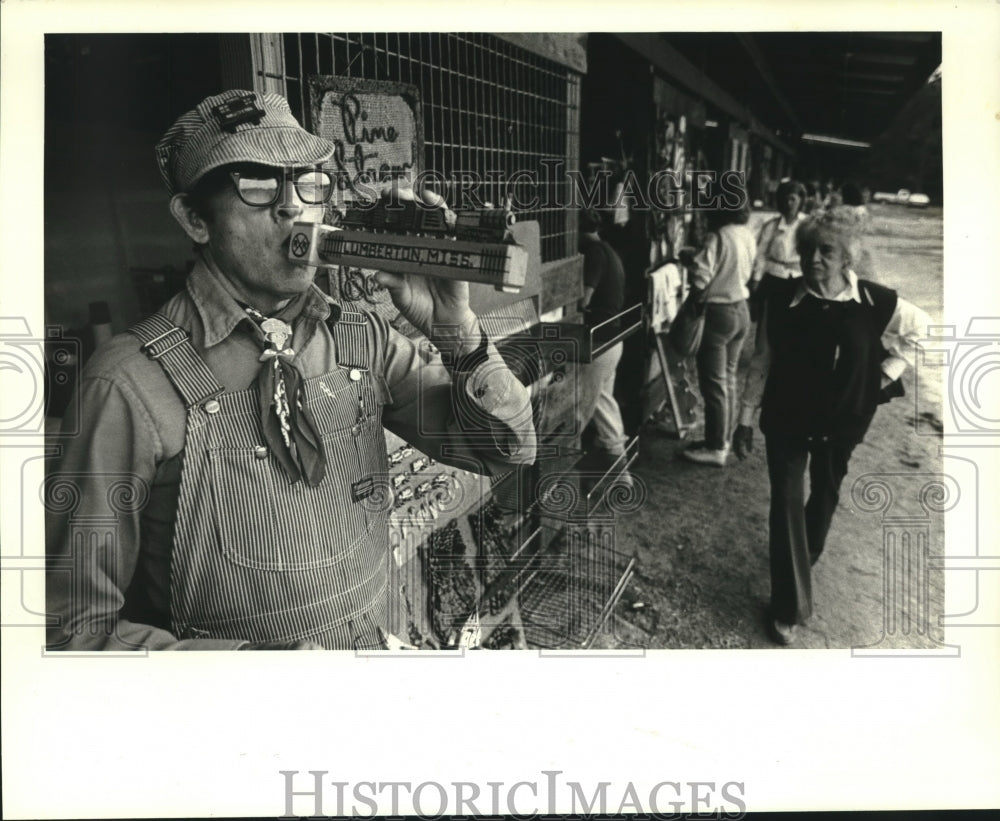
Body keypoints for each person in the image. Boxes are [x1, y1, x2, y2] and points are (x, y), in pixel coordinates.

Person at [45, 89, 536, 651]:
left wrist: (455, 328)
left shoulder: (360, 337)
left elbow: (504, 451)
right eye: (255, 185)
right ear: (194, 219)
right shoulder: (126, 384)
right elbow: (71, 635)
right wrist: (265, 674)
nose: (291, 206)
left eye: (309, 182)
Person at [732, 206, 929, 645]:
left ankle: (799, 562)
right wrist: (744, 418)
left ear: (846, 259)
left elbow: (923, 329)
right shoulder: (780, 299)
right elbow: (762, 360)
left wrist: (883, 377)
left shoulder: (875, 301)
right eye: (808, 250)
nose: (814, 259)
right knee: (785, 500)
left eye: (826, 251)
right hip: (786, 415)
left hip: (844, 420)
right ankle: (790, 604)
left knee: (824, 492)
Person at [682, 197, 755, 467]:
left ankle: (715, 447)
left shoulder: (718, 236)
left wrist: (692, 296)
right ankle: (721, 439)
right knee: (728, 380)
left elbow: (702, 278)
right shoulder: (746, 233)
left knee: (713, 384)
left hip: (718, 313)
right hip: (741, 310)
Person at [575, 208, 631, 483]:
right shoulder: (609, 250)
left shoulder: (595, 254)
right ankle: (621, 477)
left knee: (583, 408)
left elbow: (584, 300)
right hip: (613, 341)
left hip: (600, 343)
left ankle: (620, 478)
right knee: (604, 404)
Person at [750, 179, 806, 314]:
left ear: (800, 200)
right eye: (785, 200)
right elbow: (761, 254)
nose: (789, 203)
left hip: (798, 279)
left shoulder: (806, 224)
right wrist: (756, 279)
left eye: (793, 199)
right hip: (773, 277)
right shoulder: (772, 225)